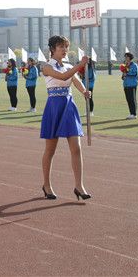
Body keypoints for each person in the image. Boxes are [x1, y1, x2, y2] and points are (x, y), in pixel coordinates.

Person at [39, 35, 91, 201]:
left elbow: (74, 80)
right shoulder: (47, 67)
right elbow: (62, 77)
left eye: (66, 47)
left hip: (69, 106)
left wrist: (84, 91)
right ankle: (46, 184)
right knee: (50, 149)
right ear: (53, 49)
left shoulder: (68, 65)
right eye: (61, 46)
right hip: (54, 106)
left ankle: (79, 185)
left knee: (76, 147)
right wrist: (80, 65)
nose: (64, 50)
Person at [122, 53, 138, 119]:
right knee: (128, 99)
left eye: (127, 57)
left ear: (130, 58)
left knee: (132, 99)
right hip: (126, 85)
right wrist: (123, 76)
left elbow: (134, 74)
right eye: (125, 57)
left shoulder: (134, 65)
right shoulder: (125, 65)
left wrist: (127, 73)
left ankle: (134, 114)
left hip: (132, 85)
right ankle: (131, 113)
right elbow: (123, 75)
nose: (125, 58)